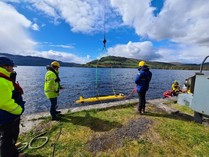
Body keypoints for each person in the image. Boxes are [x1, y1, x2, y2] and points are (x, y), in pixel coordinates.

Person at [0, 57, 26, 157]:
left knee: (10, 136)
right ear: (5, 67)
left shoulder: (5, 78)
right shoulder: (2, 81)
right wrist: (19, 110)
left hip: (7, 115)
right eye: (11, 67)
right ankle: (11, 154)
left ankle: (12, 146)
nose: (13, 69)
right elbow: (4, 103)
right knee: (7, 137)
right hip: (7, 116)